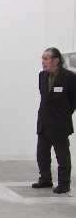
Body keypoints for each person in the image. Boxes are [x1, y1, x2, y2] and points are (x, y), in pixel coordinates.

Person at [32, 47, 76, 194]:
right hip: (44, 122)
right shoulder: (42, 76)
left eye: (46, 58)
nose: (43, 61)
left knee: (62, 156)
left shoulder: (70, 77)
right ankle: (45, 179)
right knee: (41, 154)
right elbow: (44, 98)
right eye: (42, 58)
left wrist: (63, 114)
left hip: (60, 124)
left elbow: (73, 101)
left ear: (56, 60)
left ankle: (64, 184)